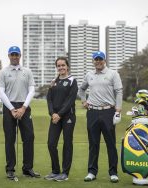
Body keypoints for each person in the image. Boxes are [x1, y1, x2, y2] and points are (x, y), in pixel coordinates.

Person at [78, 51, 123, 183]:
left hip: (108, 111)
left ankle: (113, 172)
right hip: (92, 112)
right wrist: (83, 101)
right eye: (95, 59)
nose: (98, 61)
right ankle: (92, 172)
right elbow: (81, 89)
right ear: (93, 61)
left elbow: (119, 91)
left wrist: (118, 109)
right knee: (93, 144)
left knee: (111, 144)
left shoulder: (113, 74)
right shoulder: (89, 75)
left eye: (100, 59)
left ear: (104, 60)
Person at [0, 46, 40, 180]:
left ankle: (27, 168)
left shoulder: (27, 71)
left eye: (17, 54)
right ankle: (10, 169)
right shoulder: (3, 72)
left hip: (24, 106)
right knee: (10, 139)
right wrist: (11, 109)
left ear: (20, 56)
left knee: (29, 137)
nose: (14, 57)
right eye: (12, 54)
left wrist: (23, 107)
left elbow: (31, 90)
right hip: (9, 106)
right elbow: (1, 92)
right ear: (9, 56)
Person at [44, 57, 78, 182]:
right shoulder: (53, 82)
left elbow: (70, 100)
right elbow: (49, 99)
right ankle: (55, 170)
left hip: (68, 117)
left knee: (67, 144)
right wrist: (52, 113)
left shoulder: (72, 81)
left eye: (63, 65)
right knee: (51, 143)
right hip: (55, 118)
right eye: (58, 66)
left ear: (67, 66)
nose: (61, 67)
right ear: (56, 67)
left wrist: (59, 114)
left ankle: (65, 173)